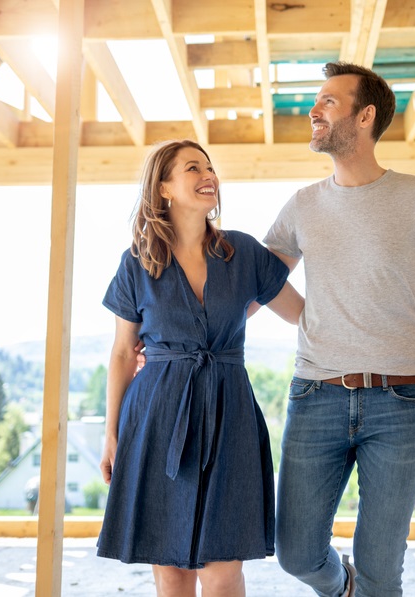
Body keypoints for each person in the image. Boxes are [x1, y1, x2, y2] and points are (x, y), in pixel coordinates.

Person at [263, 62, 415, 597]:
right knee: (295, 552)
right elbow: (255, 287)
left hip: (403, 401)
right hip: (316, 395)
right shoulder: (303, 205)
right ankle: (339, 584)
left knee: (381, 570)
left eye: (328, 101)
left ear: (365, 116)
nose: (313, 110)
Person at [97, 139, 305, 597]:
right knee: (170, 569)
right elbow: (121, 354)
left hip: (231, 415)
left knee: (223, 566)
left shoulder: (244, 252)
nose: (208, 174)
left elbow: (302, 314)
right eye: (193, 168)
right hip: (155, 416)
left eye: (210, 167)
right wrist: (112, 434)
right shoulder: (136, 263)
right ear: (165, 187)